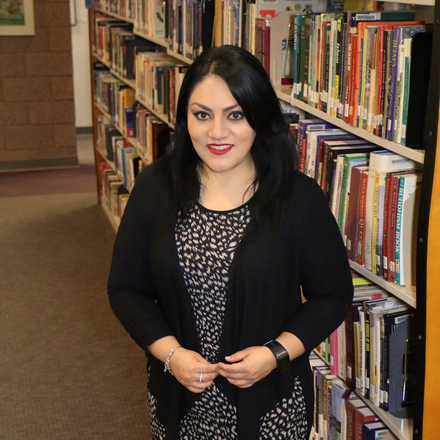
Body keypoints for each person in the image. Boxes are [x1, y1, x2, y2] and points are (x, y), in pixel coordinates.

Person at [107, 45, 354, 440]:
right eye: (202, 114)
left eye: (235, 115)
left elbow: (333, 295)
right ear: (184, 117)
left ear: (259, 117)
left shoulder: (297, 197)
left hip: (272, 407)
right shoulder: (155, 188)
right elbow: (125, 290)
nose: (216, 132)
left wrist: (275, 355)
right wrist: (171, 355)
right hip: (179, 404)